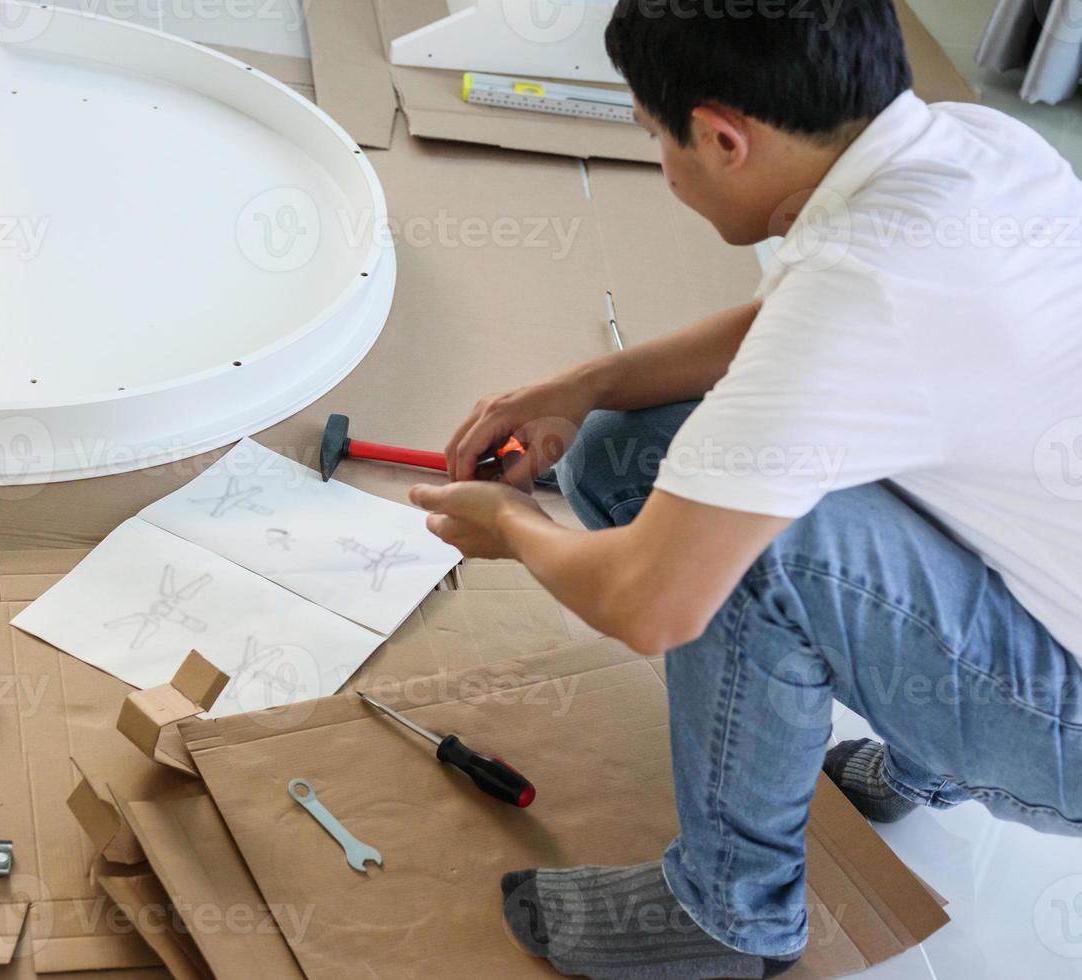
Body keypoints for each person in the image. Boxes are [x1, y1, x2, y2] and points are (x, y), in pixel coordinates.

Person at [408, 1, 1082, 976]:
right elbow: (788, 332)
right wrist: (582, 384)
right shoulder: (973, 145)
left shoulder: (867, 288)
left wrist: (511, 523)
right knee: (624, 446)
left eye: (655, 138)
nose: (663, 166)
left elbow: (653, 602)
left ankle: (727, 916)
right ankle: (930, 749)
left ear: (723, 137)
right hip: (1050, 602)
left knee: (748, 556)